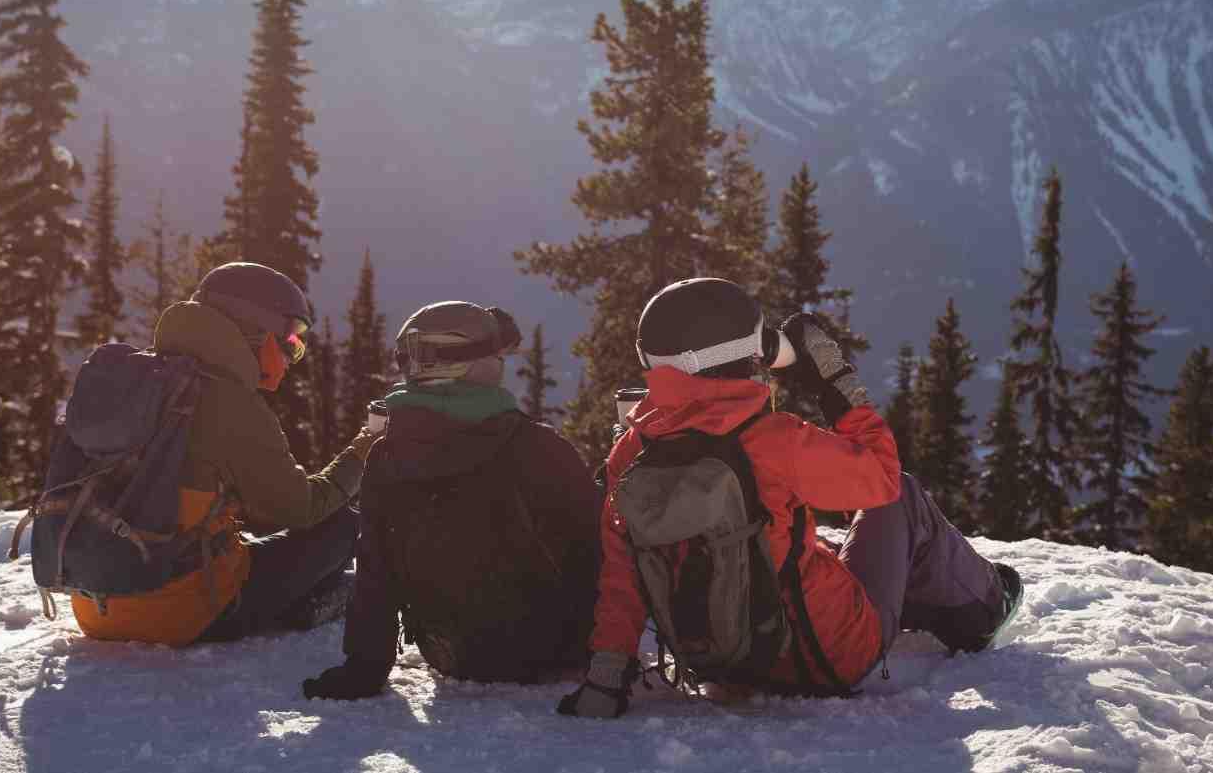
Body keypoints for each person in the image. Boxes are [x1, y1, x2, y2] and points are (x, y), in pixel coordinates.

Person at [557, 277, 1022, 717]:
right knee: (903, 495)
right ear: (743, 354)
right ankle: (985, 608)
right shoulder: (772, 439)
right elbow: (881, 480)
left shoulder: (632, 451)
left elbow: (622, 573)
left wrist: (606, 677)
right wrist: (834, 381)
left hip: (722, 661)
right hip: (829, 657)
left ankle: (922, 597)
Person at [302, 301, 600, 701]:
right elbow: (597, 553)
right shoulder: (539, 448)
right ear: (483, 364)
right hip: (555, 652)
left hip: (452, 655)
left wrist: (363, 666)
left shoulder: (387, 455)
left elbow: (375, 571)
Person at [70, 261, 373, 647]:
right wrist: (363, 451)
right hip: (176, 616)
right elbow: (298, 509)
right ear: (258, 332)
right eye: (291, 341)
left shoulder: (146, 381)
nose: (293, 355)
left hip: (93, 609)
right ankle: (305, 606)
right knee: (341, 525)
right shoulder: (231, 403)